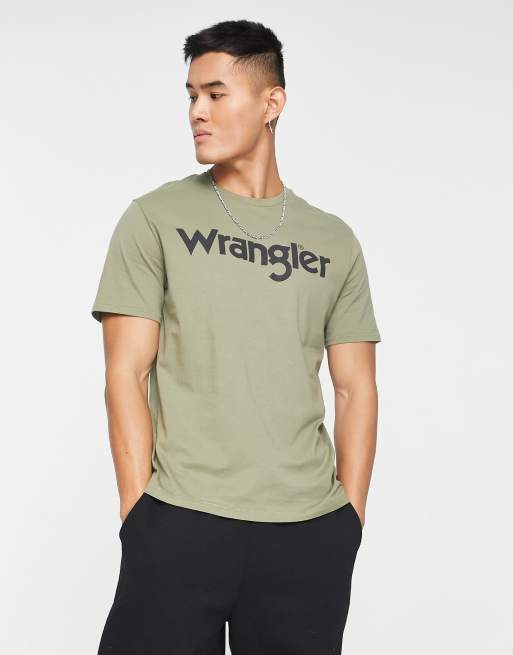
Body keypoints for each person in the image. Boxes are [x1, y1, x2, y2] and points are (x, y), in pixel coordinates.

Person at [91, 19, 381, 655]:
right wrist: (139, 515)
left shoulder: (334, 240)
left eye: (216, 94)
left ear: (272, 103)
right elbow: (126, 373)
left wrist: (349, 520)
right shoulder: (155, 218)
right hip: (180, 518)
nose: (197, 111)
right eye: (192, 95)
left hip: (308, 530)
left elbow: (355, 387)